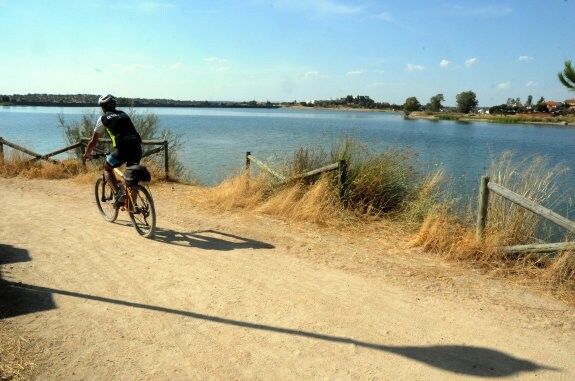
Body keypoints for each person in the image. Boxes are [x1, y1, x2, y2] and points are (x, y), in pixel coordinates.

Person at [84, 94, 142, 206]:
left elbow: (93, 141)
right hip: (137, 148)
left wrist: (87, 153)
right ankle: (133, 206)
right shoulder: (124, 114)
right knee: (131, 177)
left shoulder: (103, 119)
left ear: (102, 107)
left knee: (107, 168)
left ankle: (118, 194)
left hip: (121, 150)